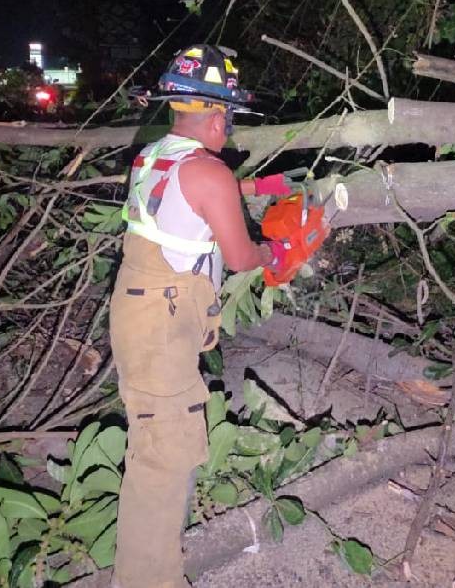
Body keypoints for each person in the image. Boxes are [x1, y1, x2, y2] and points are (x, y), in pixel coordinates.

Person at [110, 45, 290, 588]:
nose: (227, 130)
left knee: (158, 445)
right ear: (217, 118)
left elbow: (182, 202)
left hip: (140, 313)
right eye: (228, 120)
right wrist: (274, 254)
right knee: (164, 459)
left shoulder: (154, 156)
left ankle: (153, 566)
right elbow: (239, 257)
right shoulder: (209, 172)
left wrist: (254, 189)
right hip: (161, 327)